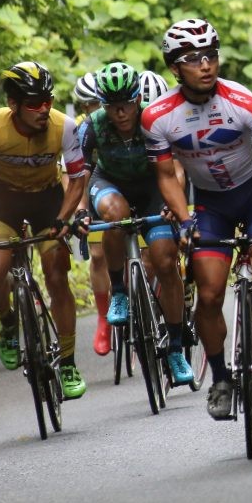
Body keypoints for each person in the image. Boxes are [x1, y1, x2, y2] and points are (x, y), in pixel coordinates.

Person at [142, 18, 252, 421]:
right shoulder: (157, 117)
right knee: (210, 294)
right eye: (193, 58)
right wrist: (183, 220)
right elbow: (166, 176)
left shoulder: (243, 101)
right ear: (174, 67)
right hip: (210, 205)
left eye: (211, 55)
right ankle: (220, 379)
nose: (206, 64)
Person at [0, 61, 90, 399]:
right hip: (5, 201)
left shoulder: (65, 127)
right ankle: (7, 322)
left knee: (57, 271)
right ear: (13, 104)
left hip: (47, 200)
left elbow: (77, 180)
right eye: (34, 103)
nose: (44, 109)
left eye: (48, 100)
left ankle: (69, 362)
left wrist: (62, 220)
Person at [75, 62, 193, 384]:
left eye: (127, 103)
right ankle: (119, 291)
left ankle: (175, 348)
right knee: (116, 214)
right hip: (110, 184)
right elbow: (79, 172)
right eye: (112, 106)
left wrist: (175, 201)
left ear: (137, 98)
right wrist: (81, 209)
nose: (121, 112)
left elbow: (176, 168)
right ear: (103, 105)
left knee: (165, 262)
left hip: (154, 185)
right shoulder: (92, 126)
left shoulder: (154, 121)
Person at [72, 71, 113, 355]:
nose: (93, 110)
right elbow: (74, 177)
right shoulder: (80, 129)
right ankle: (102, 317)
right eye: (86, 105)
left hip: (123, 182)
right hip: (94, 186)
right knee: (98, 255)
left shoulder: (121, 118)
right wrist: (79, 209)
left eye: (96, 103)